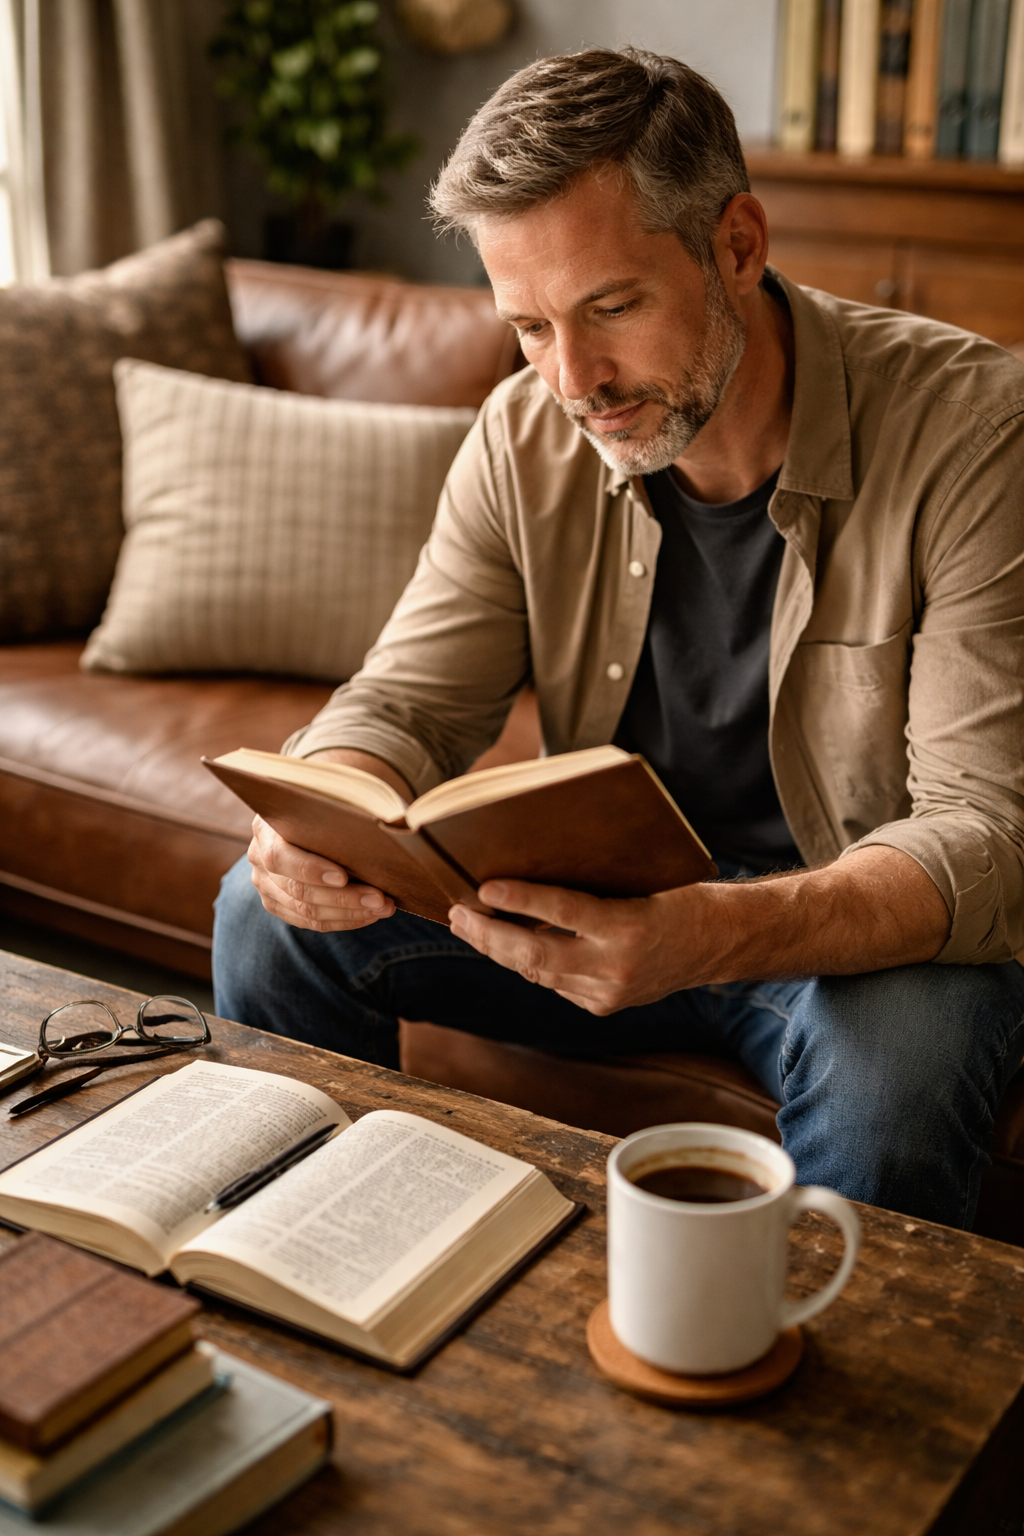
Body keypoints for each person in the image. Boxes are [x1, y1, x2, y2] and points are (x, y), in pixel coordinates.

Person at [213, 48, 1024, 1229]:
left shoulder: (974, 433)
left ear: (737, 244)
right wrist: (322, 807)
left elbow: (984, 831)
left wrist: (705, 934)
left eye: (611, 308)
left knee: (894, 1089)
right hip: (604, 902)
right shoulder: (524, 431)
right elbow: (408, 702)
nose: (574, 379)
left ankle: (818, 1357)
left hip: (853, 929)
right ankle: (325, 1266)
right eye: (528, 326)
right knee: (262, 913)